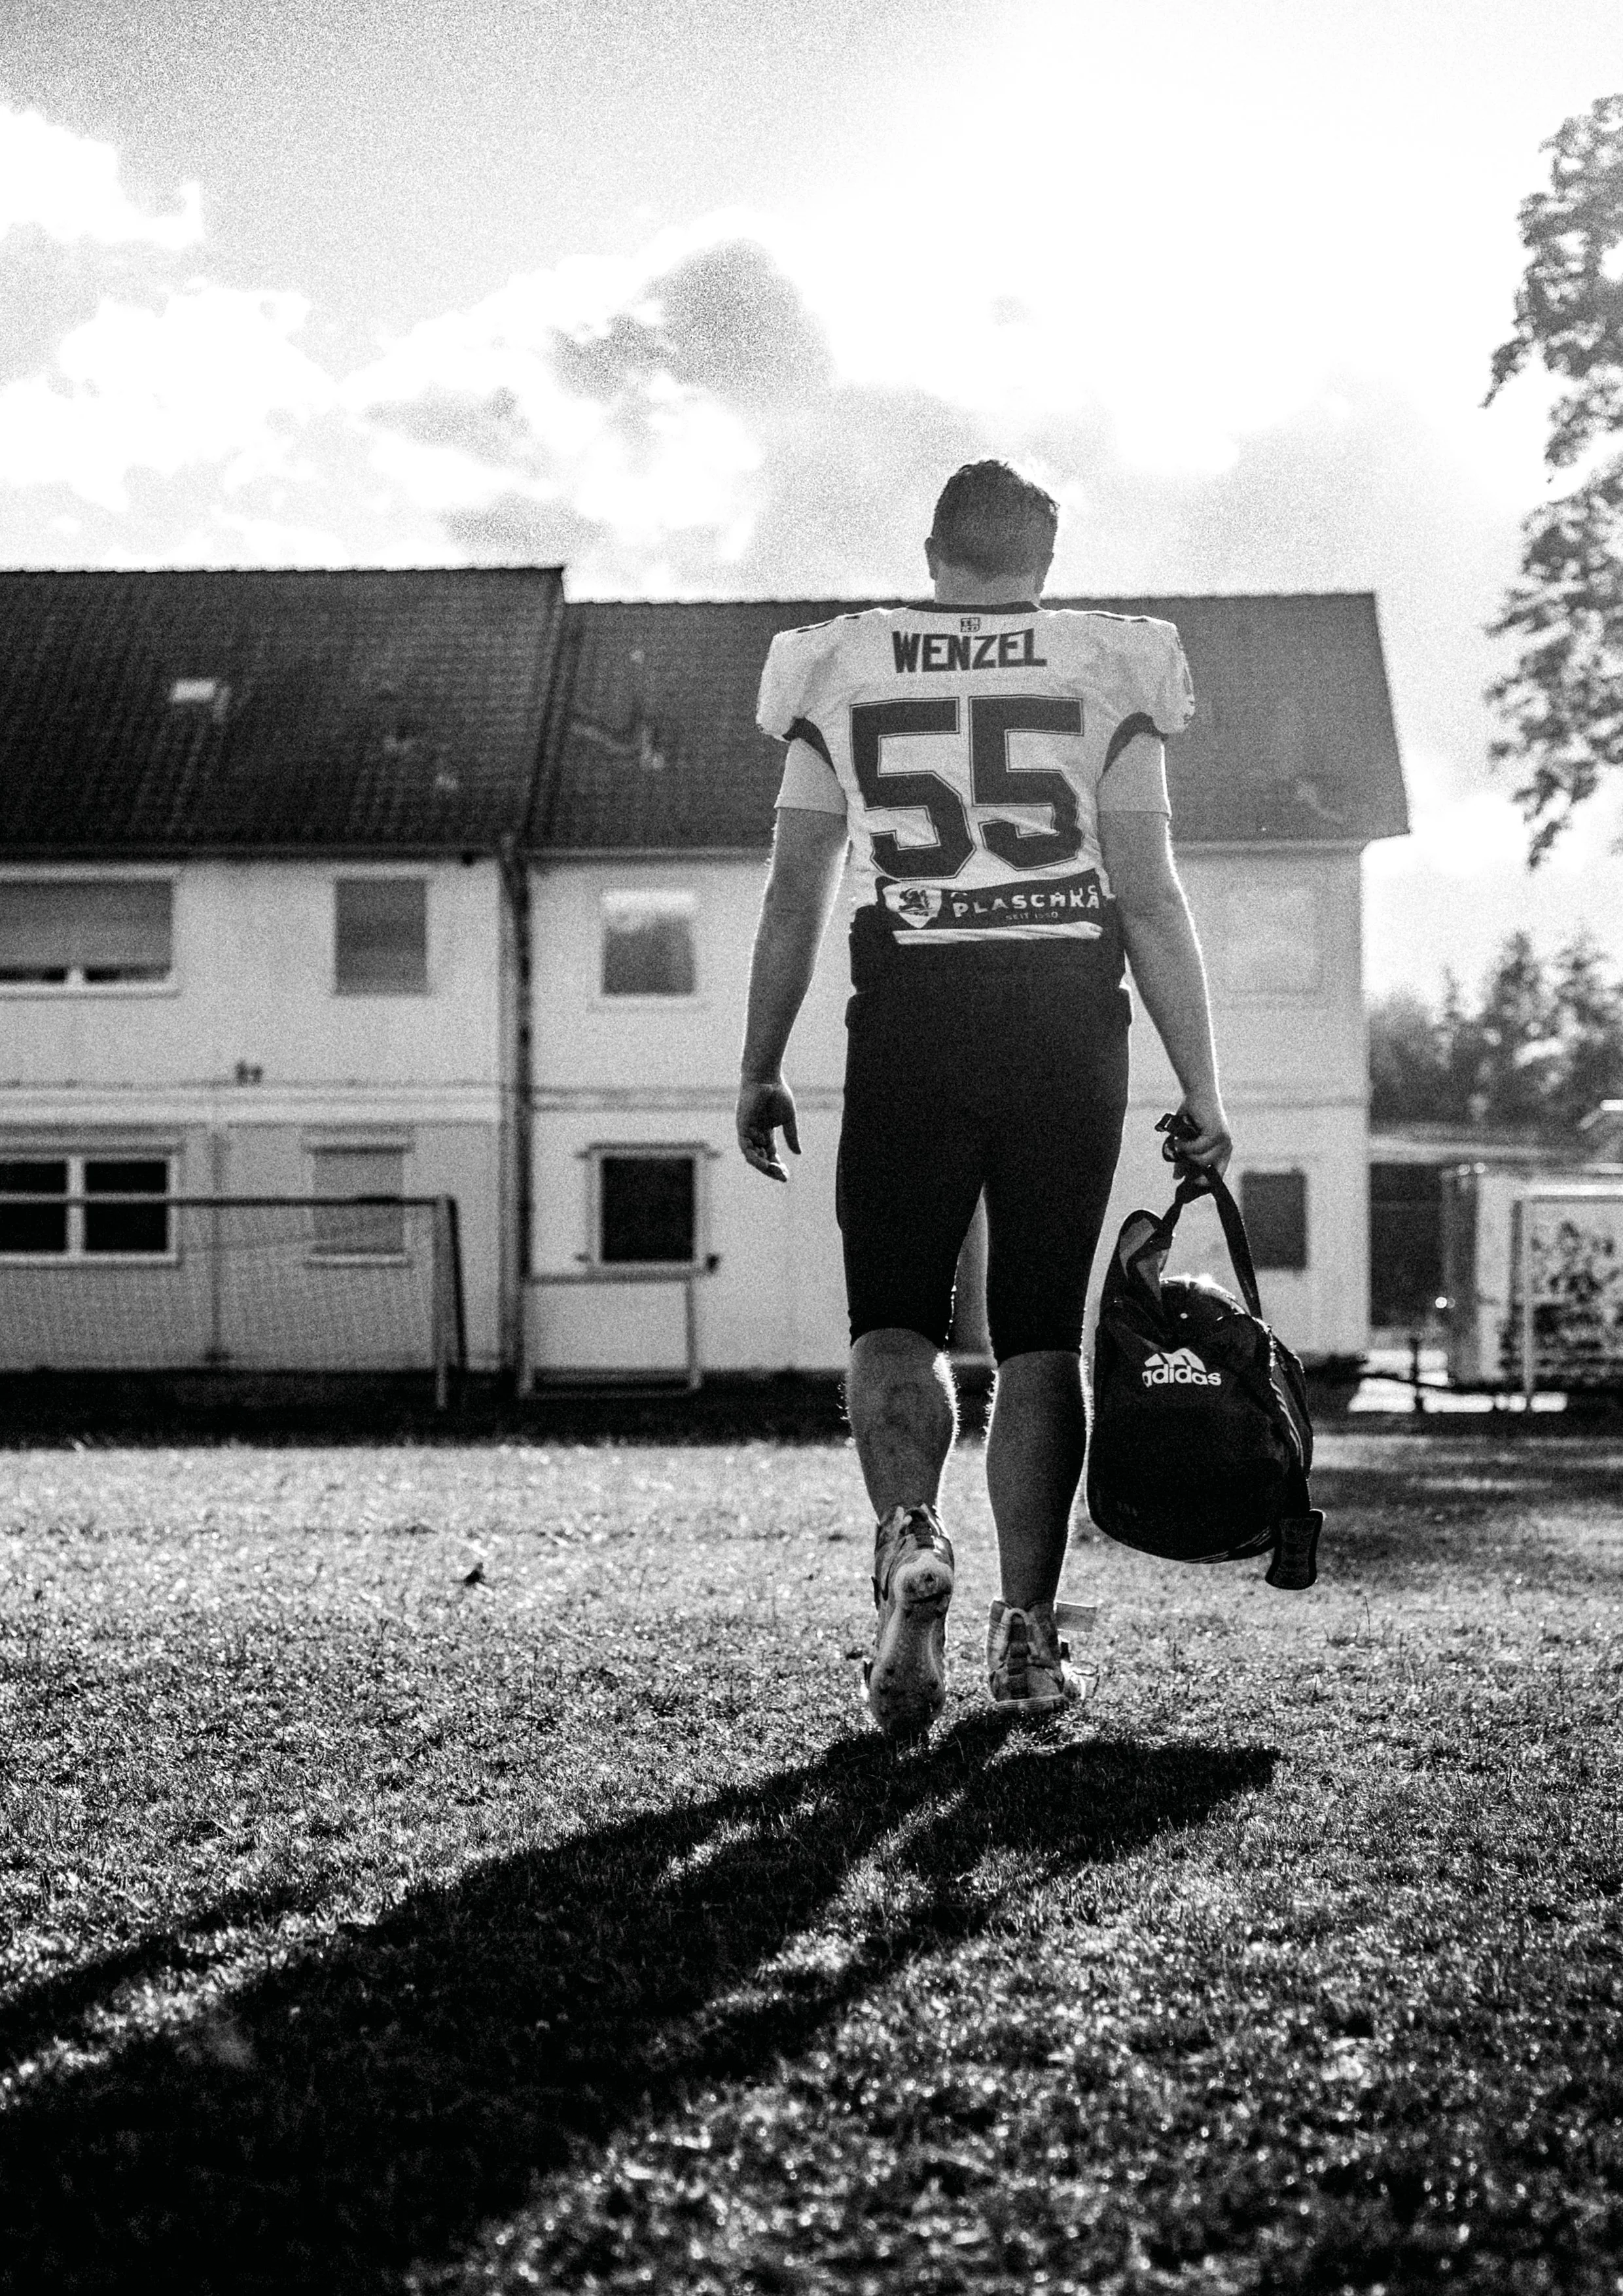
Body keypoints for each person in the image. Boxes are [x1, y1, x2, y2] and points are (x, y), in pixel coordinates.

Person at [736, 459, 1231, 1737]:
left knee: (893, 1318)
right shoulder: (1105, 662)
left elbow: (796, 888)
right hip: (1065, 1014)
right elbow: (1149, 891)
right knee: (1036, 1339)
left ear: (933, 550)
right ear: (1042, 562)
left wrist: (760, 1058)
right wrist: (1202, 1082)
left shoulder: (843, 661)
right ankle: (1023, 1634)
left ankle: (909, 1532)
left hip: (910, 1011)